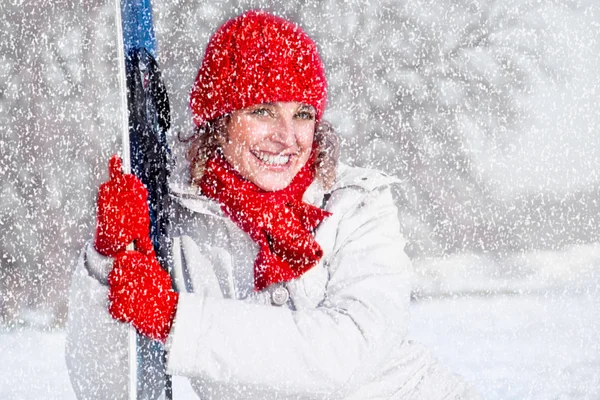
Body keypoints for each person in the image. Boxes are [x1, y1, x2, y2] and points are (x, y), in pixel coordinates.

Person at [65, 9, 480, 400]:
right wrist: (107, 260)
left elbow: (346, 351)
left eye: (302, 113)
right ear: (220, 120)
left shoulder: (356, 206)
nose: (288, 136)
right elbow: (108, 388)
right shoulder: (176, 218)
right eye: (263, 110)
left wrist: (178, 320)